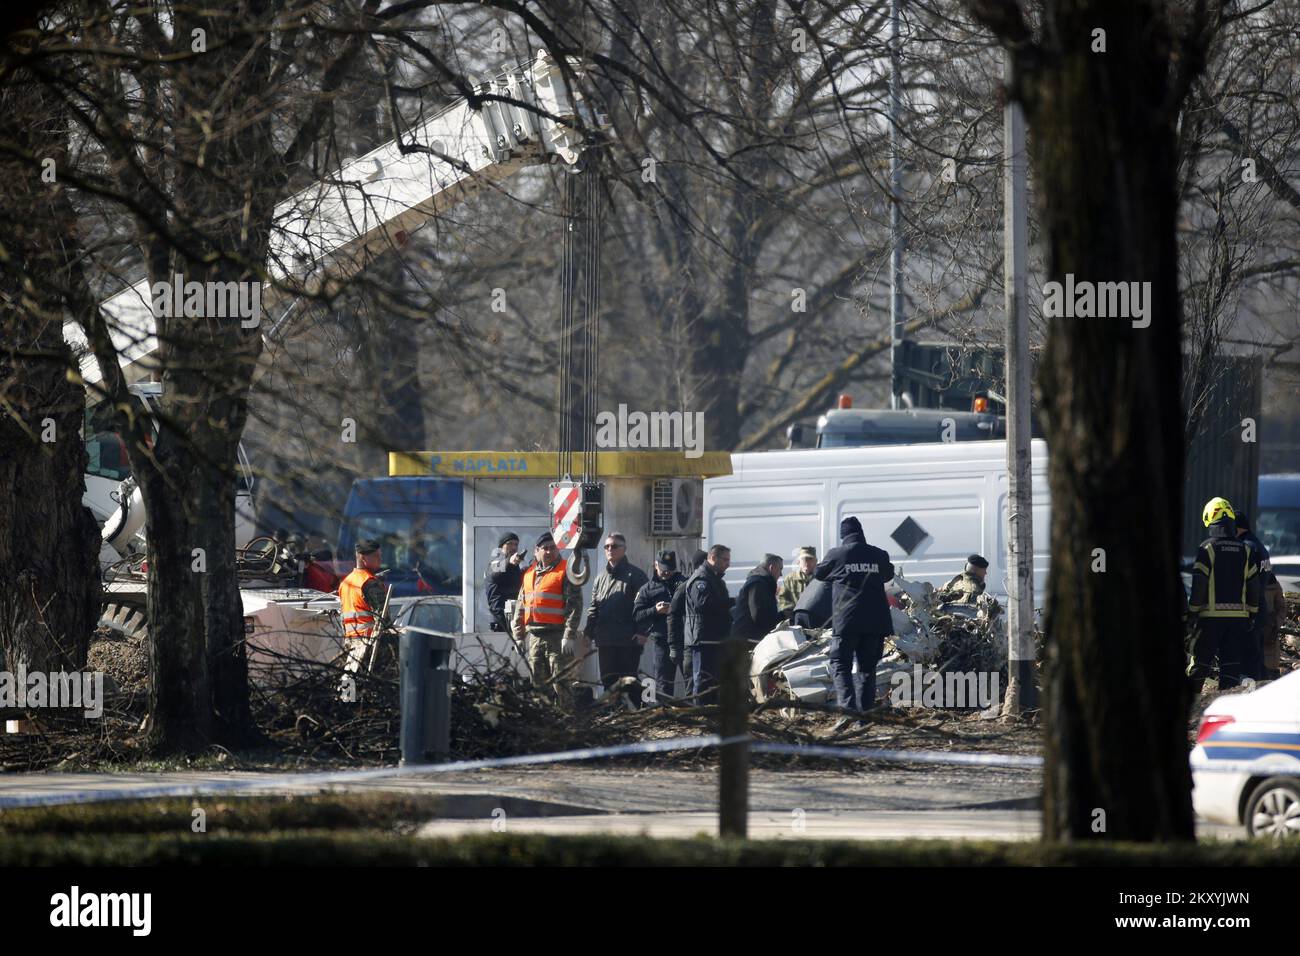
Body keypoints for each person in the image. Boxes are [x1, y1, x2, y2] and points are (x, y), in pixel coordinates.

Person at [814, 516, 894, 719]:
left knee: (840, 663)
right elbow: (888, 575)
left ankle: (848, 711)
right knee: (867, 669)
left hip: (847, 621)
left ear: (843, 536)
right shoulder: (878, 554)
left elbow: (819, 574)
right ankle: (865, 715)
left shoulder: (837, 554)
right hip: (875, 622)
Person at [1188, 497, 1260, 694]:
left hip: (1209, 621)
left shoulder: (1207, 548)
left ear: (1210, 519)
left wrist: (1192, 613)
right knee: (1230, 671)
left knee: (1199, 666)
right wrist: (1252, 614)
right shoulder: (1246, 550)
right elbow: (1254, 586)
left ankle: (1191, 710)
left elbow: (1199, 584)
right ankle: (1222, 711)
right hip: (1237, 623)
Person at [512, 532, 584, 697]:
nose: (550, 552)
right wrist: (519, 635)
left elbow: (574, 606)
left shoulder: (565, 571)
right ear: (536, 551)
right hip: (535, 638)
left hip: (557, 638)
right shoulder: (529, 574)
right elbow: (520, 606)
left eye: (553, 548)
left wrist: (569, 635)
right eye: (545, 548)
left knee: (562, 686)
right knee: (538, 688)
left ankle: (568, 720)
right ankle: (543, 721)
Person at [584, 533, 650, 707]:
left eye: (614, 546)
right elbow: (594, 609)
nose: (610, 550)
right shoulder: (600, 578)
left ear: (624, 549)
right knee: (608, 681)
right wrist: (588, 634)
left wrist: (642, 633)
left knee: (629, 681)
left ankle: (633, 715)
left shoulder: (636, 575)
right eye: (607, 546)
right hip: (606, 640)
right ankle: (614, 715)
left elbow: (646, 607)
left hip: (628, 640)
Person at [337, 539, 391, 696]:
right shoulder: (369, 582)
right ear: (363, 558)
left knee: (349, 680)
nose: (380, 559)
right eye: (376, 556)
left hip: (351, 641)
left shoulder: (346, 582)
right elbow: (384, 619)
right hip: (370, 643)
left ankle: (346, 707)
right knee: (375, 687)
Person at [633, 550, 687, 700]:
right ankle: (665, 716)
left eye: (670, 570)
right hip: (662, 643)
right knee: (663, 685)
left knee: (692, 683)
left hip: (684, 640)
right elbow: (637, 615)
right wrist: (655, 610)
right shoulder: (647, 589)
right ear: (655, 565)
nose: (666, 573)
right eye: (663, 569)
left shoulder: (684, 584)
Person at [1235, 511, 1283, 680]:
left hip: (1250, 609)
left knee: (1248, 660)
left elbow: (1246, 582)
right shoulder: (1260, 547)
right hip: (1261, 606)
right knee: (1257, 656)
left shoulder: (1246, 547)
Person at [685, 544, 733, 703]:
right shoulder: (702, 578)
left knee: (715, 681)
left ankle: (712, 714)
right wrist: (731, 602)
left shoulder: (715, 578)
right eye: (725, 559)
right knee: (704, 681)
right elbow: (703, 604)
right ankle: (701, 714)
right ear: (713, 558)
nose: (728, 564)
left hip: (715, 638)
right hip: (704, 639)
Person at [669, 549, 708, 694]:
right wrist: (673, 646)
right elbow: (672, 615)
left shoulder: (710, 583)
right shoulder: (686, 587)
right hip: (688, 645)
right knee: (692, 685)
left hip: (701, 644)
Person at [733, 553, 784, 645]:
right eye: (780, 569)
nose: (781, 574)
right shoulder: (758, 585)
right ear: (771, 568)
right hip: (749, 640)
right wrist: (782, 616)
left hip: (751, 638)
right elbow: (759, 616)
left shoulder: (762, 583)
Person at [485, 532, 525, 632]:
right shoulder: (496, 561)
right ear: (501, 547)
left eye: (516, 544)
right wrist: (509, 561)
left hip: (513, 617)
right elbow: (494, 574)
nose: (513, 547)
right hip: (499, 619)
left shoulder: (514, 566)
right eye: (510, 544)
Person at [778, 547, 817, 618]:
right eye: (804, 560)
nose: (807, 563)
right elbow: (782, 598)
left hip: (816, 619)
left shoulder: (821, 579)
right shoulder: (790, 579)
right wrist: (791, 611)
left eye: (810, 559)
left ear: (816, 561)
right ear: (798, 562)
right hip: (796, 619)